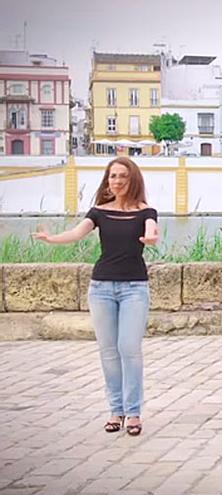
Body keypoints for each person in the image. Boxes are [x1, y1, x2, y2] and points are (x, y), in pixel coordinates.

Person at [33, 157, 159, 436]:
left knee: (129, 347)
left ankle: (134, 412)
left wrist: (151, 237)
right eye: (112, 176)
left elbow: (151, 230)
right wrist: (51, 239)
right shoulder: (98, 212)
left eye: (122, 176)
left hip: (134, 288)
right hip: (101, 287)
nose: (116, 181)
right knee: (108, 351)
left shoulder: (146, 211)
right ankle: (116, 410)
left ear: (133, 180)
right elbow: (78, 233)